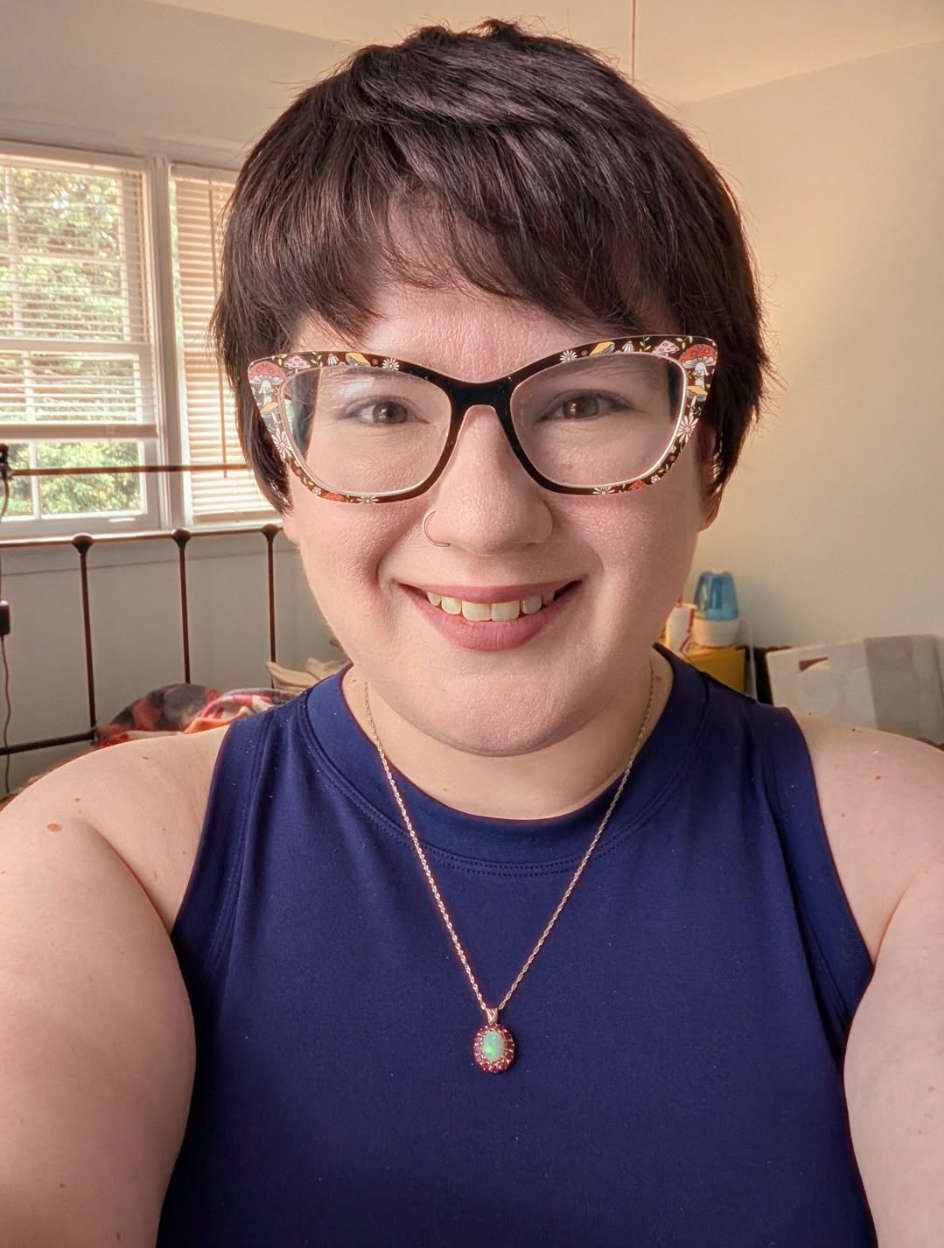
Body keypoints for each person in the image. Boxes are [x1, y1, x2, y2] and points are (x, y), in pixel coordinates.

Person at [1, 20, 941, 1248]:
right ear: (283, 470)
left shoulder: (897, 858)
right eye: (380, 403)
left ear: (707, 457)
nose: (484, 520)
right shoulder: (98, 861)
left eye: (589, 397)